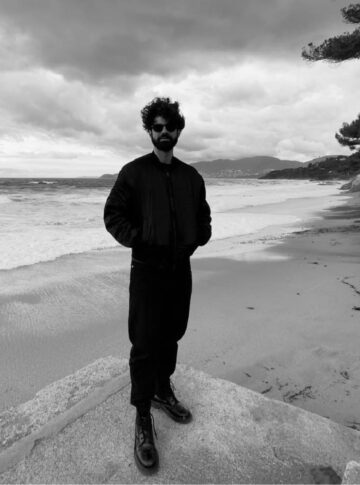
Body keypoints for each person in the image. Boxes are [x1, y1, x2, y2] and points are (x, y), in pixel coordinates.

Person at [104, 97, 211, 473]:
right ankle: (143, 415)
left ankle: (164, 390)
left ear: (179, 130)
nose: (164, 132)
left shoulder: (191, 176)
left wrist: (198, 237)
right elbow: (113, 215)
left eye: (170, 127)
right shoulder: (133, 173)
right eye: (157, 127)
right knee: (145, 342)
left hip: (179, 270)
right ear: (149, 131)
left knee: (172, 334)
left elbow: (203, 216)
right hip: (147, 271)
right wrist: (142, 238)